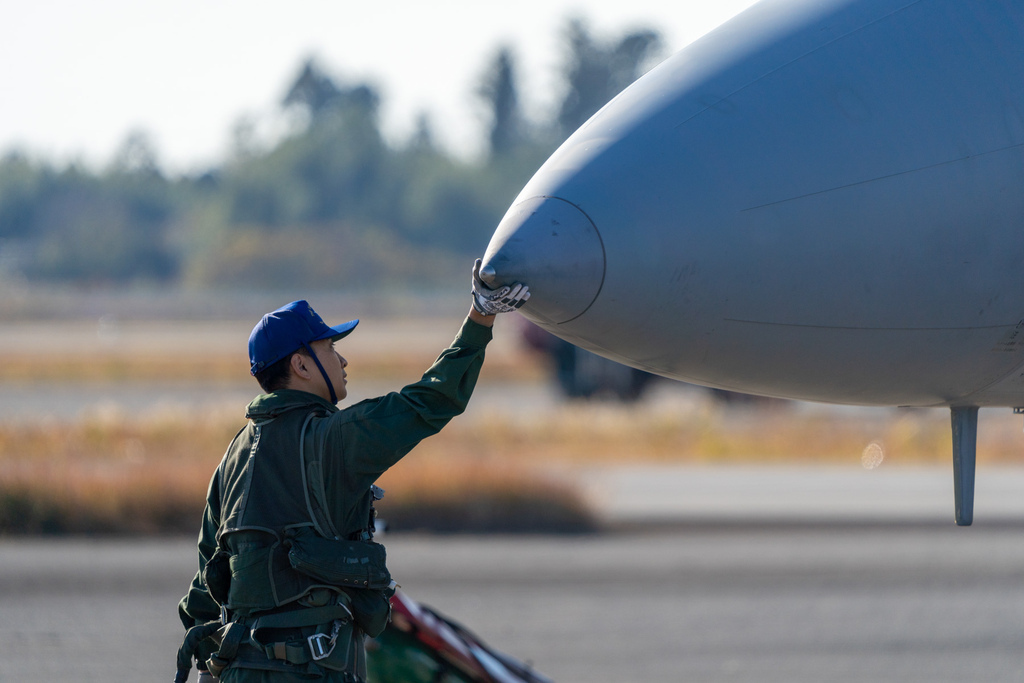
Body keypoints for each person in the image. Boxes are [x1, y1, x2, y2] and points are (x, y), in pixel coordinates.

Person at [176, 261, 529, 683]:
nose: (342, 359)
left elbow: (203, 590)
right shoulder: (335, 440)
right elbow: (429, 401)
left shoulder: (232, 458)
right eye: (328, 348)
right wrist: (481, 315)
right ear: (301, 366)